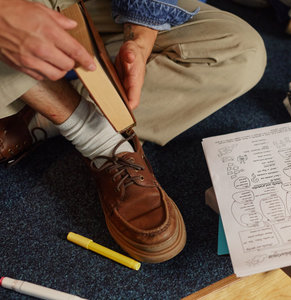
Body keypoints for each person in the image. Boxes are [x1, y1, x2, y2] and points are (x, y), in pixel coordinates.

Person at [0, 0, 266, 263]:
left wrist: (140, 36)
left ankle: (45, 115)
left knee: (242, 51)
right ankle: (98, 140)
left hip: (77, 7)